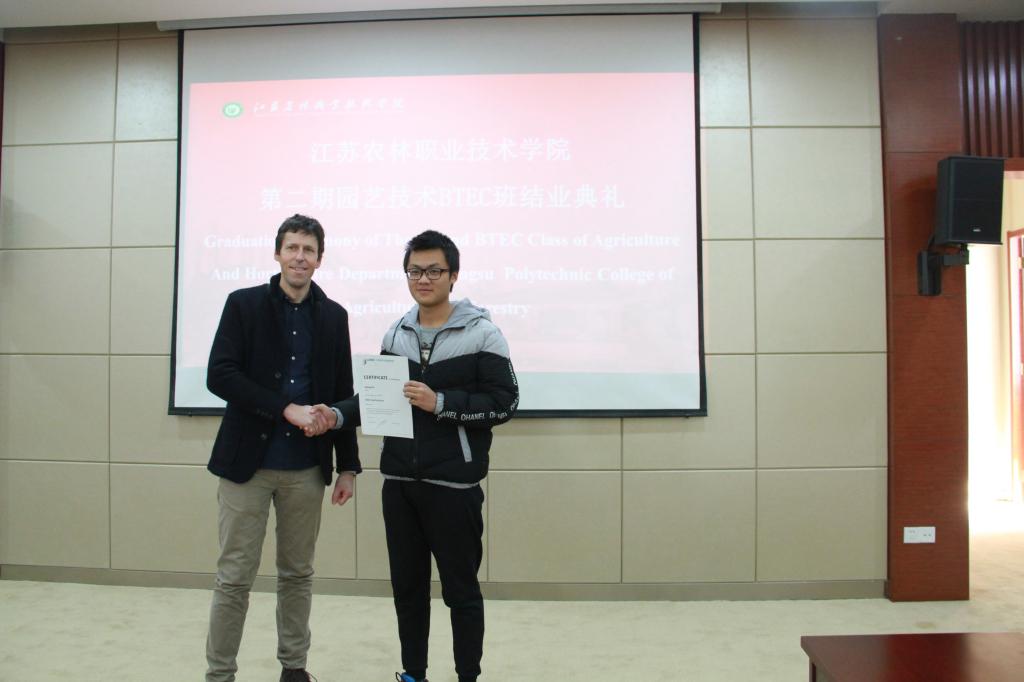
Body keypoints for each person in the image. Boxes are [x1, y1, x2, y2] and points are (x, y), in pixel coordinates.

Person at [311, 230, 518, 682]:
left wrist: (440, 403)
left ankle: (468, 676)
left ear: (453, 275)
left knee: (461, 591)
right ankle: (413, 673)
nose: (423, 279)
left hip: (454, 487)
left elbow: (505, 403)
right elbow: (376, 399)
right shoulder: (397, 332)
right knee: (407, 589)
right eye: (415, 271)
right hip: (400, 484)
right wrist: (336, 414)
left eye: (434, 270)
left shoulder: (483, 334)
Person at [204, 214, 360, 682]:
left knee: (297, 575)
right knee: (235, 576)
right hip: (246, 466)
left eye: (308, 250)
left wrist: (348, 466)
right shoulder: (243, 304)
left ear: (320, 259)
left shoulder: (334, 317)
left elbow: (342, 393)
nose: (299, 257)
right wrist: (284, 408)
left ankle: (294, 669)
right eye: (292, 247)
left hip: (306, 469)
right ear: (277, 253)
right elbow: (220, 375)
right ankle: (220, 674)